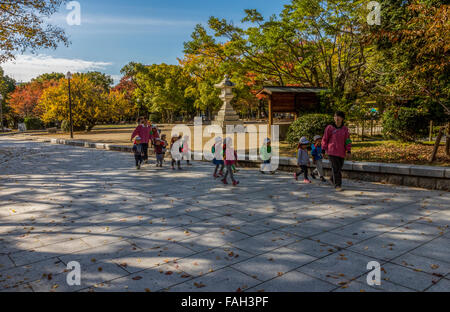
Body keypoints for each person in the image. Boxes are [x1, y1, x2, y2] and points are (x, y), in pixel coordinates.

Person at [322, 111, 352, 192]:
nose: (336, 118)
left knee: (339, 168)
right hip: (331, 151)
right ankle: (338, 185)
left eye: (338, 116)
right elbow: (325, 139)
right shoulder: (329, 128)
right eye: (335, 116)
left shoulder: (345, 129)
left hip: (341, 152)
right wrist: (323, 150)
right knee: (336, 169)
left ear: (342, 118)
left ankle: (332, 179)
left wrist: (348, 150)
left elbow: (348, 140)